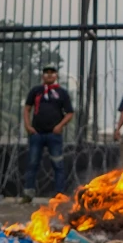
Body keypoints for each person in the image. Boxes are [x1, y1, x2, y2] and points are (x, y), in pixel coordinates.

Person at [22, 65, 74, 203]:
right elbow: (27, 109)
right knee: (32, 164)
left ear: (56, 76)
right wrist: (28, 126)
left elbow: (70, 113)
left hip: (54, 134)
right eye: (46, 73)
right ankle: (28, 193)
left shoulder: (62, 93)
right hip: (37, 133)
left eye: (52, 73)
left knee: (58, 165)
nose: (49, 75)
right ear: (42, 76)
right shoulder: (36, 91)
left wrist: (60, 126)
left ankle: (59, 194)